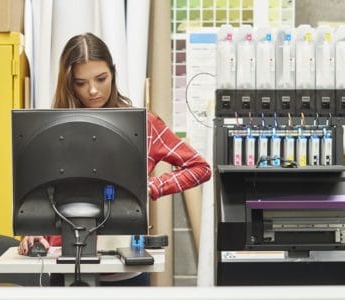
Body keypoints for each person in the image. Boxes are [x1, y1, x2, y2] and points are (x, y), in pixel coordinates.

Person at [17, 32, 211, 285]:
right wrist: (34, 233)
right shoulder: (51, 129)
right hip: (64, 266)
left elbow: (200, 167)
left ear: (113, 73)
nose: (93, 90)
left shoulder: (143, 124)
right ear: (68, 83)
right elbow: (42, 190)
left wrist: (149, 188)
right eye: (81, 82)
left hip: (125, 270)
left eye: (101, 78)